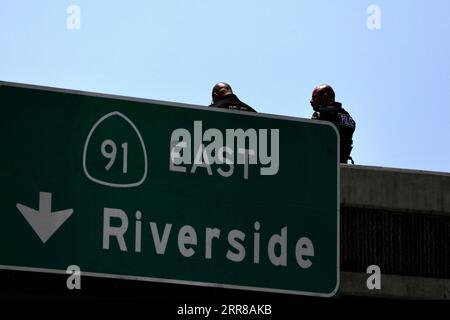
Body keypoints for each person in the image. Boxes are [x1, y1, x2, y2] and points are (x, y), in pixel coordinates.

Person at [310, 84, 356, 164]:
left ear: (325, 97)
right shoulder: (349, 118)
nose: (311, 101)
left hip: (324, 164)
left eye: (314, 97)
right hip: (342, 165)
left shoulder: (322, 115)